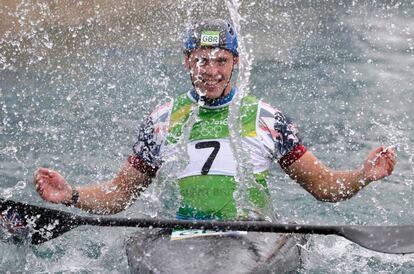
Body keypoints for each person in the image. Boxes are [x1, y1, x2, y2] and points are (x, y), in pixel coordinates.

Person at [33, 19, 396, 273]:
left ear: (236, 62)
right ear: (186, 61)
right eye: (201, 60)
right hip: (177, 234)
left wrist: (363, 175)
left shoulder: (266, 118)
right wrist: (72, 195)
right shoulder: (161, 121)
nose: (211, 71)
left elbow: (322, 187)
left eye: (221, 60)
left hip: (253, 235)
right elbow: (119, 195)